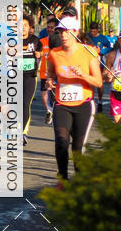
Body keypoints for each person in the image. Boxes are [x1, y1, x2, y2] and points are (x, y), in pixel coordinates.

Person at [46, 14, 102, 181]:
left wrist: (83, 75)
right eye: (60, 32)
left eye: (66, 31)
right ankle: (62, 177)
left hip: (83, 106)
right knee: (61, 142)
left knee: (77, 148)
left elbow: (98, 82)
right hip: (62, 104)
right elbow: (50, 73)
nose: (63, 35)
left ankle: (80, 179)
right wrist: (49, 81)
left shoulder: (88, 52)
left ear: (75, 32)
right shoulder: (54, 53)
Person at [21, 14, 42, 145]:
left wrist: (39, 55)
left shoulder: (35, 40)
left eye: (25, 26)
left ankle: (22, 132)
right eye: (20, 26)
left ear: (30, 28)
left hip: (29, 76)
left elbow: (40, 54)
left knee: (24, 103)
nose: (22, 28)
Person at [87, 22, 114, 112]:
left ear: (97, 30)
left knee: (99, 84)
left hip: (99, 64)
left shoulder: (103, 38)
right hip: (87, 63)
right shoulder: (87, 36)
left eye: (94, 31)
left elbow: (110, 48)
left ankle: (99, 101)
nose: (92, 33)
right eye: (91, 31)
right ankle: (90, 101)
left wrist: (101, 50)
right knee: (90, 83)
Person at [39, 16, 57, 124]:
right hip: (44, 74)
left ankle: (56, 112)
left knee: (55, 97)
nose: (49, 29)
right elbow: (37, 54)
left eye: (52, 27)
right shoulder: (41, 41)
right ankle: (49, 110)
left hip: (56, 74)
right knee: (43, 95)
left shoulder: (60, 42)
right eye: (48, 27)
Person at [103, 35, 121, 123]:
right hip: (116, 93)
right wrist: (107, 76)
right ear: (118, 40)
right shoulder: (112, 55)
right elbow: (104, 75)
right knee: (118, 122)